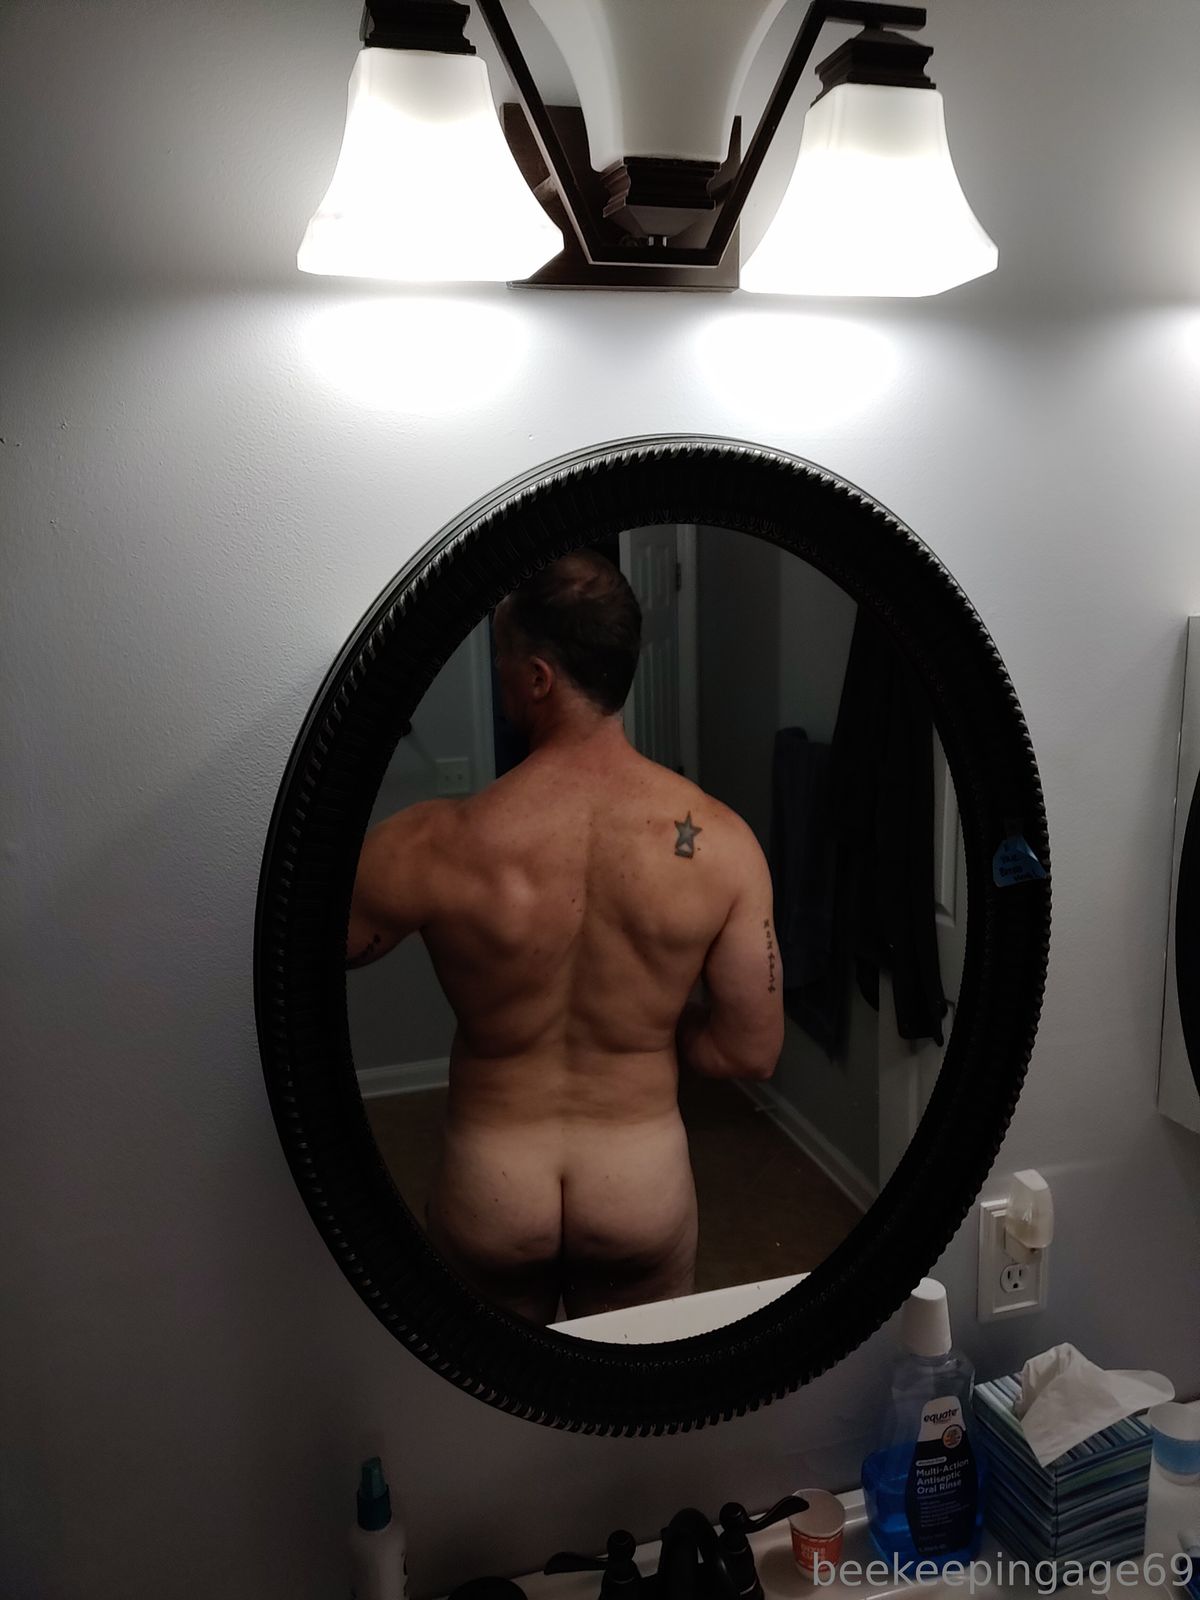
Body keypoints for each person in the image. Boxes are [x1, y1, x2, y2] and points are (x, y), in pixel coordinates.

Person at [346, 549, 784, 1324]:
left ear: (539, 678)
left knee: (488, 1396)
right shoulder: (722, 843)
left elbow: (304, 955)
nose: (500, 677)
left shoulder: (436, 841)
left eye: (503, 659)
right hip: (637, 1186)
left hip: (492, 1188)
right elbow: (749, 1051)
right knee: (632, 1392)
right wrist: (651, 1029)